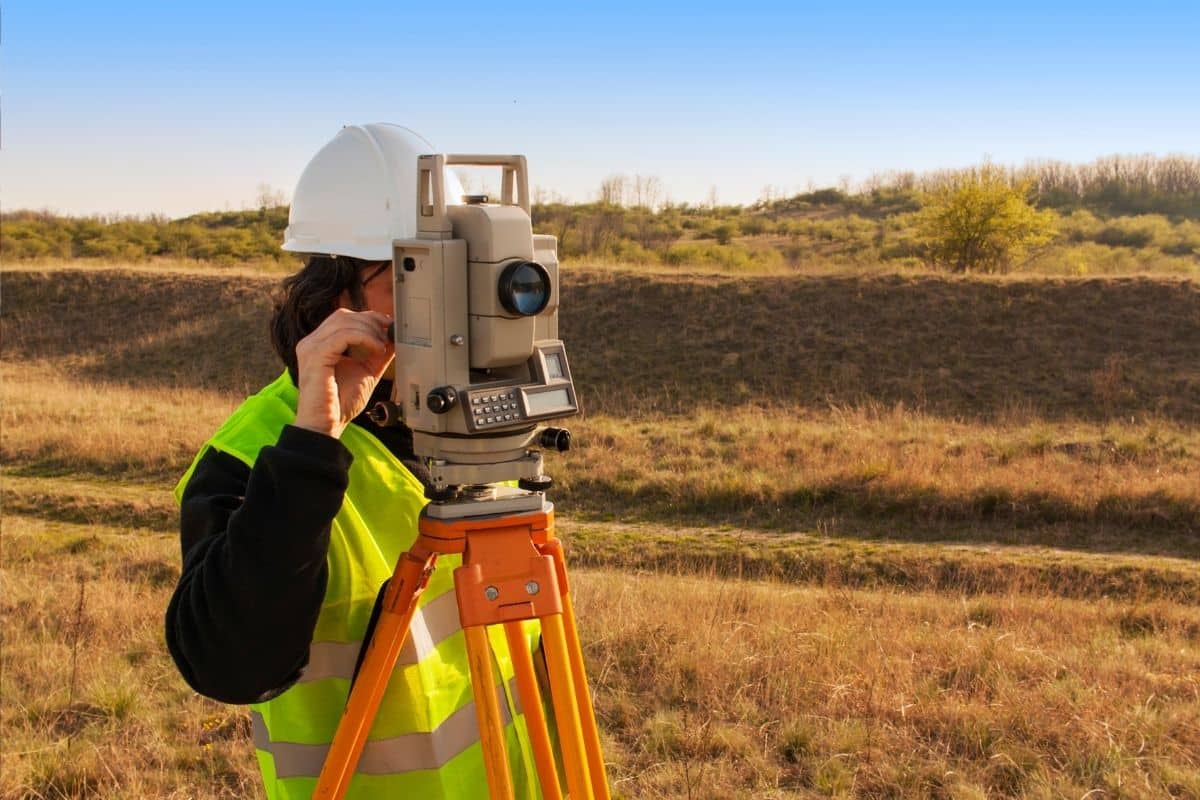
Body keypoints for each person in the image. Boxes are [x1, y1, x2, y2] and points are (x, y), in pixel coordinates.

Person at [165, 124, 542, 799]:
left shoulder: (475, 437)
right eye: (419, 275)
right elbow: (226, 665)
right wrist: (315, 442)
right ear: (341, 297)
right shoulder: (252, 457)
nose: (461, 307)